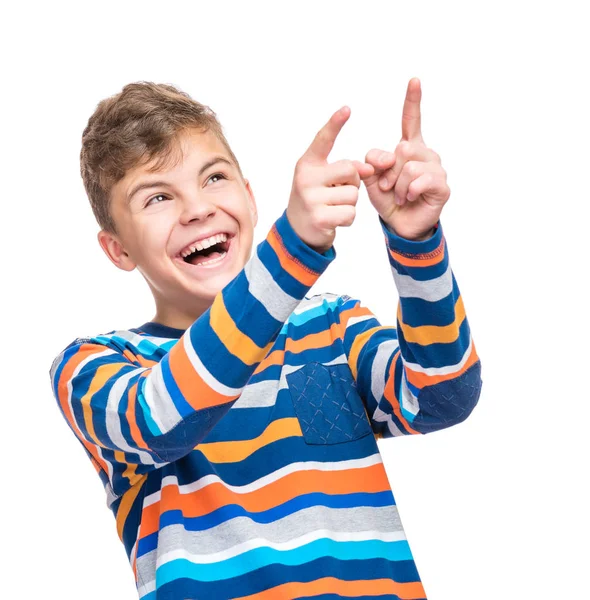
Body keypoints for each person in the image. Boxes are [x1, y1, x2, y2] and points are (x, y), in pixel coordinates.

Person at [49, 77, 482, 600]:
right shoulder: (94, 365)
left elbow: (441, 397)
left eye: (213, 178)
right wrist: (292, 251)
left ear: (250, 199)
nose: (197, 209)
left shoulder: (332, 326)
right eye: (158, 196)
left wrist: (417, 244)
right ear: (118, 250)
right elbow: (159, 419)